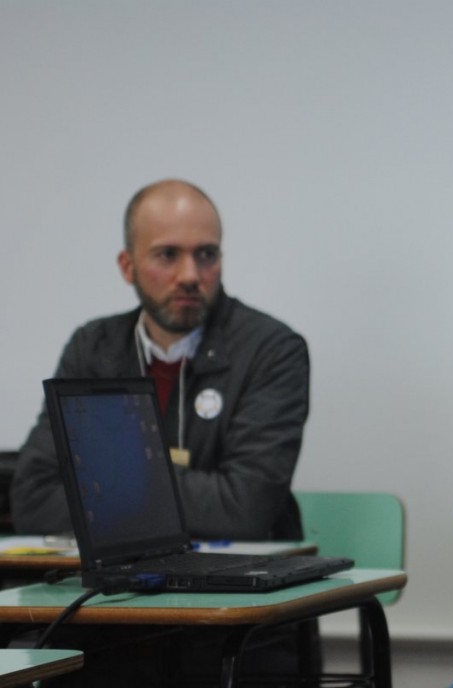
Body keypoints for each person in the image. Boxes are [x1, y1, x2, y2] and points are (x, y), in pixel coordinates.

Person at [9, 179, 313, 685]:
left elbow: (246, 506)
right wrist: (176, 492)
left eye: (207, 255)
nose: (191, 275)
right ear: (127, 266)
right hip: (113, 617)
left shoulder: (271, 349)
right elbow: (34, 496)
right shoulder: (95, 348)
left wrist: (112, 492)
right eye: (167, 255)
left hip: (237, 624)